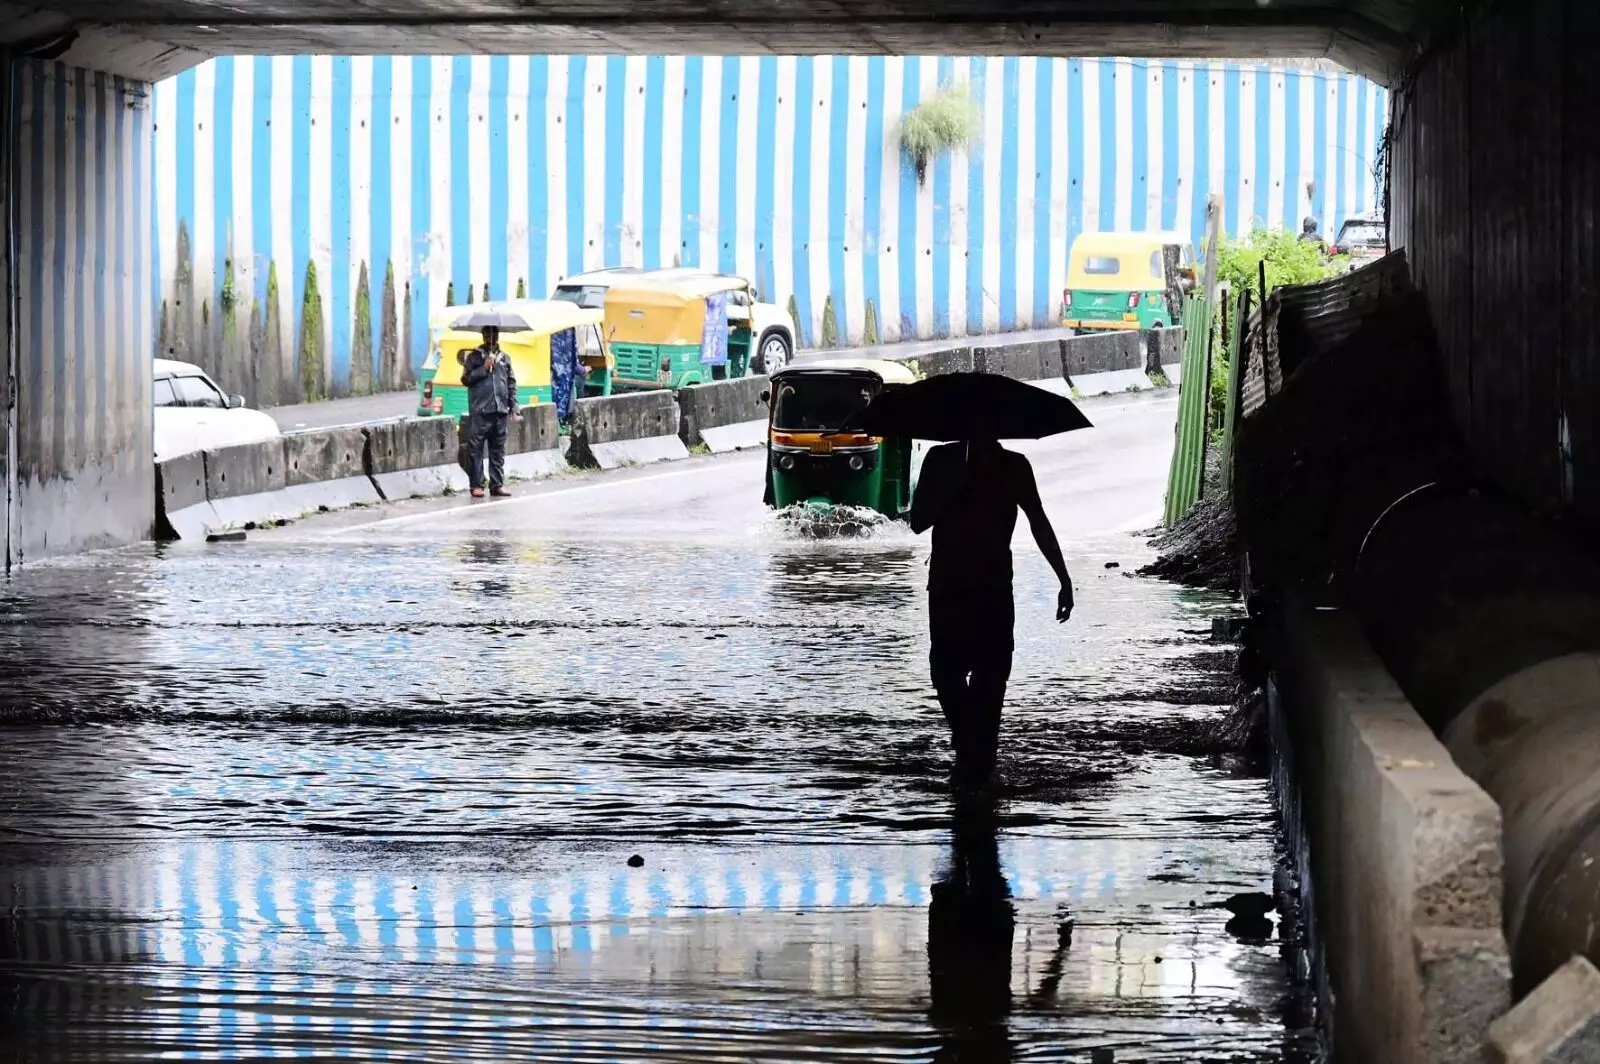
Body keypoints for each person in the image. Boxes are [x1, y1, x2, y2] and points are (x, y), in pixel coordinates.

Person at [907, 440, 1073, 788]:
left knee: (992, 678)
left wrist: (1063, 577)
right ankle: (971, 750)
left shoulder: (1014, 466)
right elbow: (917, 521)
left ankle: (979, 761)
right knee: (946, 674)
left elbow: (1038, 521)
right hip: (948, 587)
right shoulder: (940, 460)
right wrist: (952, 486)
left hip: (993, 588)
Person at [460, 325, 517, 499]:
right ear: (483, 335)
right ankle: (477, 485)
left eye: (493, 333)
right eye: (487, 333)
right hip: (480, 411)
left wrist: (513, 406)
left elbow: (511, 383)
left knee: (498, 450)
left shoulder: (505, 359)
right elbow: (466, 379)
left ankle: (497, 484)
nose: (490, 337)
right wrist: (484, 368)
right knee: (475, 450)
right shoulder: (473, 358)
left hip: (499, 411)